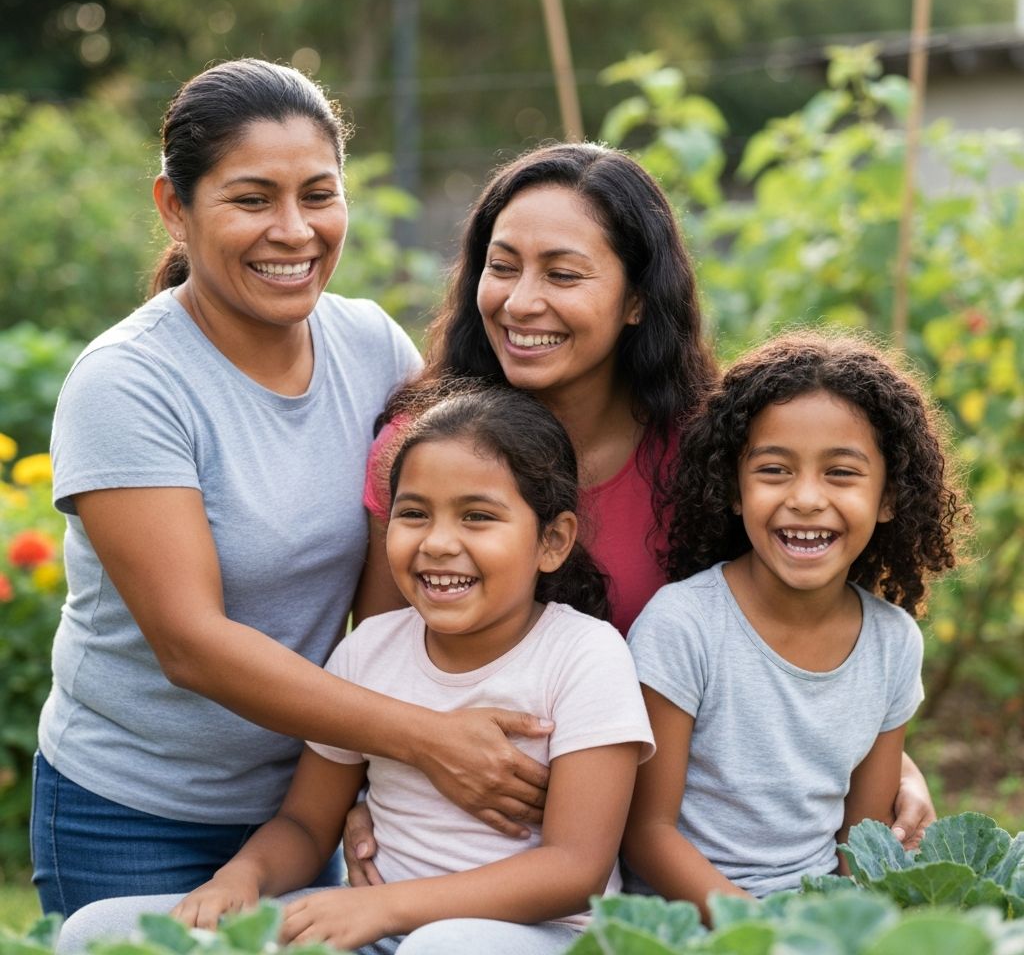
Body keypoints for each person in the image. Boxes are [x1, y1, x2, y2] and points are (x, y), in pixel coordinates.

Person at [32, 59, 557, 919]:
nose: (294, 230)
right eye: (251, 200)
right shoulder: (128, 385)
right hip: (130, 810)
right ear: (175, 207)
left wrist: (365, 782)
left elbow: (397, 596)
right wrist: (425, 742)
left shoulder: (370, 349)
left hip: (303, 805)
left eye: (319, 194)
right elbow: (191, 644)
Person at [346, 144, 938, 882]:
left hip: (636, 857)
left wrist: (888, 763)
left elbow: (774, 635)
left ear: (636, 299)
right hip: (465, 835)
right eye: (502, 267)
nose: (521, 301)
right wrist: (397, 776)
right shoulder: (420, 453)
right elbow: (380, 659)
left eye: (563, 274)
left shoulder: (702, 454)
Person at [56, 388, 655, 955]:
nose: (438, 543)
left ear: (552, 541)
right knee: (98, 932)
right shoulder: (369, 650)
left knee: (439, 947)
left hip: (533, 934)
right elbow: (305, 824)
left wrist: (390, 909)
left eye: (477, 517)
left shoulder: (584, 655)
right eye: (414, 513)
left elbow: (574, 871)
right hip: (377, 922)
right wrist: (241, 878)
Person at [622, 331, 968, 922]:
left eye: (841, 473)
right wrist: (761, 934)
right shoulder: (684, 625)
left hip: (814, 921)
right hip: (687, 922)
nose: (806, 499)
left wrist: (837, 930)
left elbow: (861, 843)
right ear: (734, 487)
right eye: (775, 470)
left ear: (889, 497)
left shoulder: (892, 642)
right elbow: (647, 833)